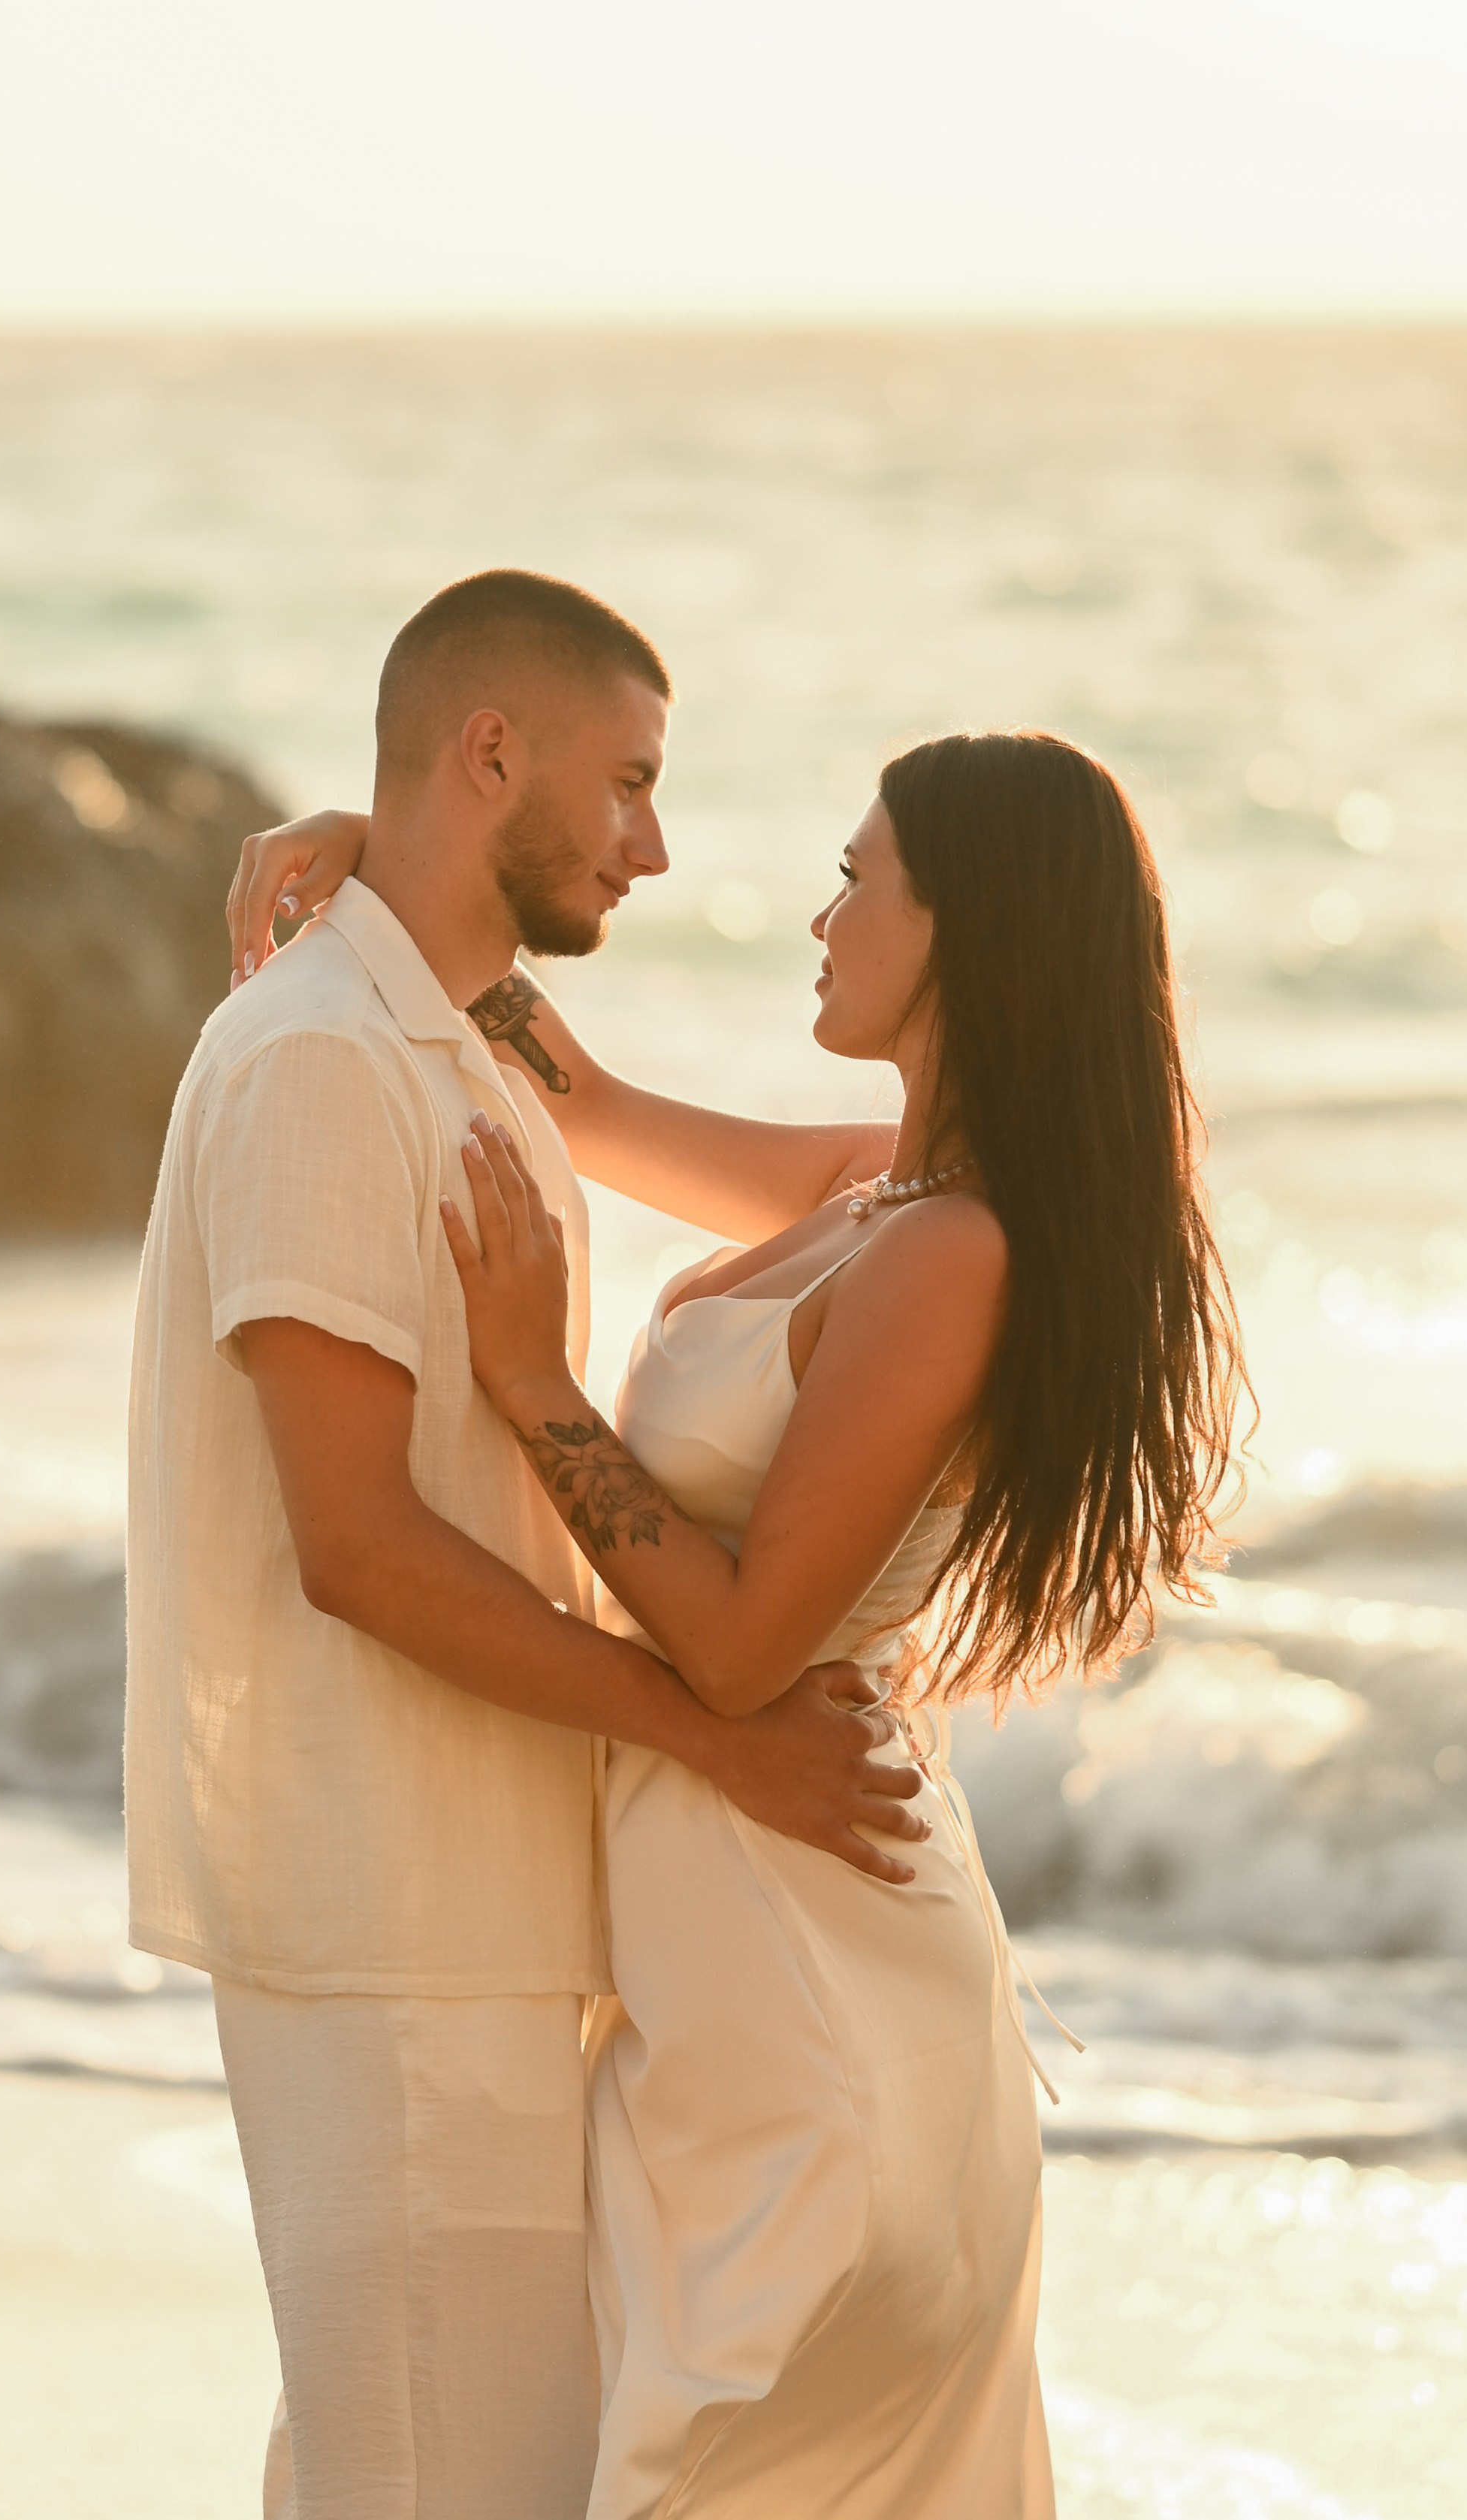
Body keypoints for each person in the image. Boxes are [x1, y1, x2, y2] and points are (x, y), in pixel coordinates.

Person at [236, 724, 1248, 2517]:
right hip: (733, 1946)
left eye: (862, 879)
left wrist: (537, 1380)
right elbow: (575, 1093)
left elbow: (736, 1652)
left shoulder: (952, 1259)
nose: (821, 911)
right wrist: (398, 863)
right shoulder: (879, 1189)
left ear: (969, 932)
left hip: (807, 1981)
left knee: (687, 2462)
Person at [124, 570, 932, 2520]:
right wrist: (710, 1724)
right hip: (381, 1908)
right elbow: (358, 1549)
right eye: (630, 782)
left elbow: (902, 1177)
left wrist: (388, 858)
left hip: (479, 1898)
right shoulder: (320, 1057)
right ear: (494, 753)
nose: (656, 845)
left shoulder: (455, 1052)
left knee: (406, 2472)